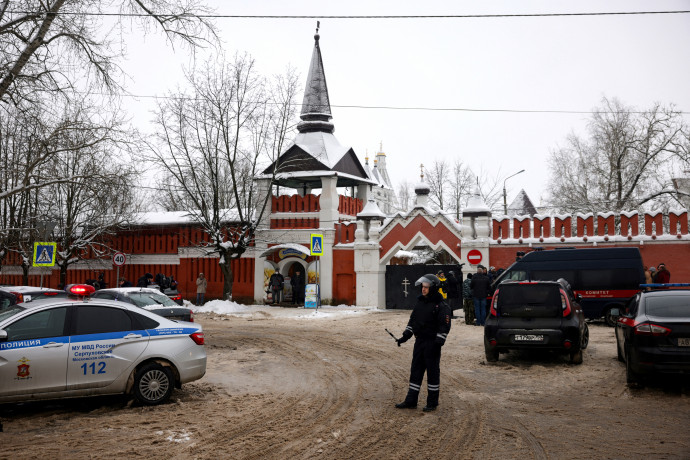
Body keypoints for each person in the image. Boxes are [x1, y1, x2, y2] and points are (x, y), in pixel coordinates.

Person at [394, 273, 451, 412]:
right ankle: (411, 400)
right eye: (422, 287)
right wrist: (404, 337)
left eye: (426, 287)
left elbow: (445, 326)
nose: (423, 289)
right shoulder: (420, 302)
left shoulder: (441, 305)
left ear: (433, 288)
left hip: (432, 344)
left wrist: (438, 343)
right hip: (419, 342)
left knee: (432, 373)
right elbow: (412, 321)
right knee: (416, 371)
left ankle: (432, 403)